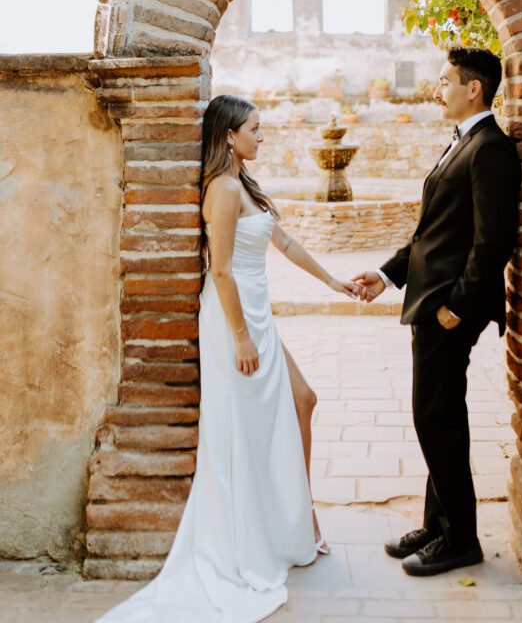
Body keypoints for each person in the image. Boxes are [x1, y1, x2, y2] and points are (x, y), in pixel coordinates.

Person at [97, 95, 357, 623]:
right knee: (248, 427)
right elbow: (219, 271)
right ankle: (281, 527)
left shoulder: (243, 184)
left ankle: (296, 518)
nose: (262, 137)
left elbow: (281, 240)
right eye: (255, 130)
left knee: (302, 401)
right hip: (233, 321)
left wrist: (334, 280)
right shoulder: (222, 188)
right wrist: (240, 337)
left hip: (257, 316)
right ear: (229, 135)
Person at [353, 48, 521, 578]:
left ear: (474, 88)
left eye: (445, 80)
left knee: (436, 416)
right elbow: (433, 234)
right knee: (439, 416)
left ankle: (462, 541)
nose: (436, 88)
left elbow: (493, 242)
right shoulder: (463, 143)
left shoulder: (491, 148)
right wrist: (385, 275)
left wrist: (457, 309)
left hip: (449, 309)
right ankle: (438, 523)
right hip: (430, 301)